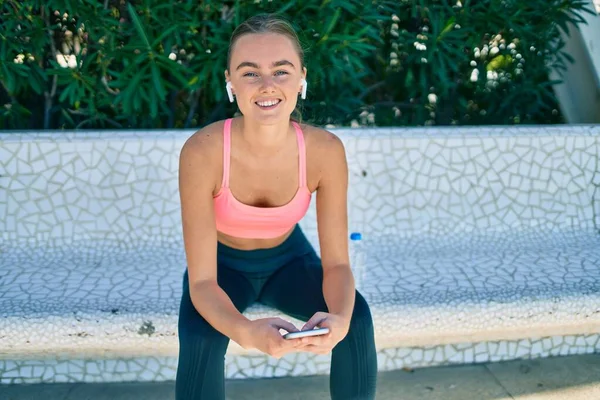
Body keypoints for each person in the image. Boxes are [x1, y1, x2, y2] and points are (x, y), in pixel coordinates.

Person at [176, 13, 377, 400]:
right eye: (250, 73)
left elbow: (337, 266)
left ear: (302, 77)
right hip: (222, 270)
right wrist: (246, 332)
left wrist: (340, 321)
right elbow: (202, 284)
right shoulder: (202, 152)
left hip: (289, 263)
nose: (267, 85)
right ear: (230, 82)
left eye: (281, 71)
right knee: (202, 338)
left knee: (357, 321)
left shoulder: (325, 152)